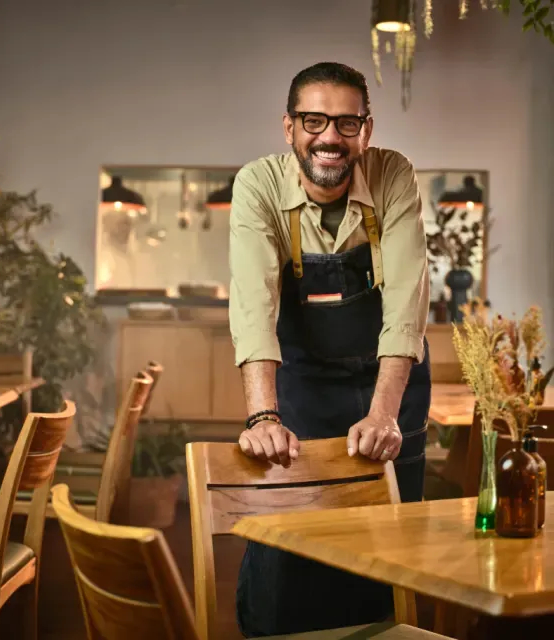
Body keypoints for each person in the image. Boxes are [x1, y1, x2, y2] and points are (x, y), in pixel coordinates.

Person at [229, 62, 431, 637]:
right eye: (314, 120)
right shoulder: (259, 184)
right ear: (289, 127)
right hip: (303, 382)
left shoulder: (393, 174)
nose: (330, 138)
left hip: (387, 386)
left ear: (366, 131)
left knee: (384, 543)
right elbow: (254, 305)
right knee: (288, 539)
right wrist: (264, 415)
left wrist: (385, 411)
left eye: (347, 123)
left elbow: (407, 305)